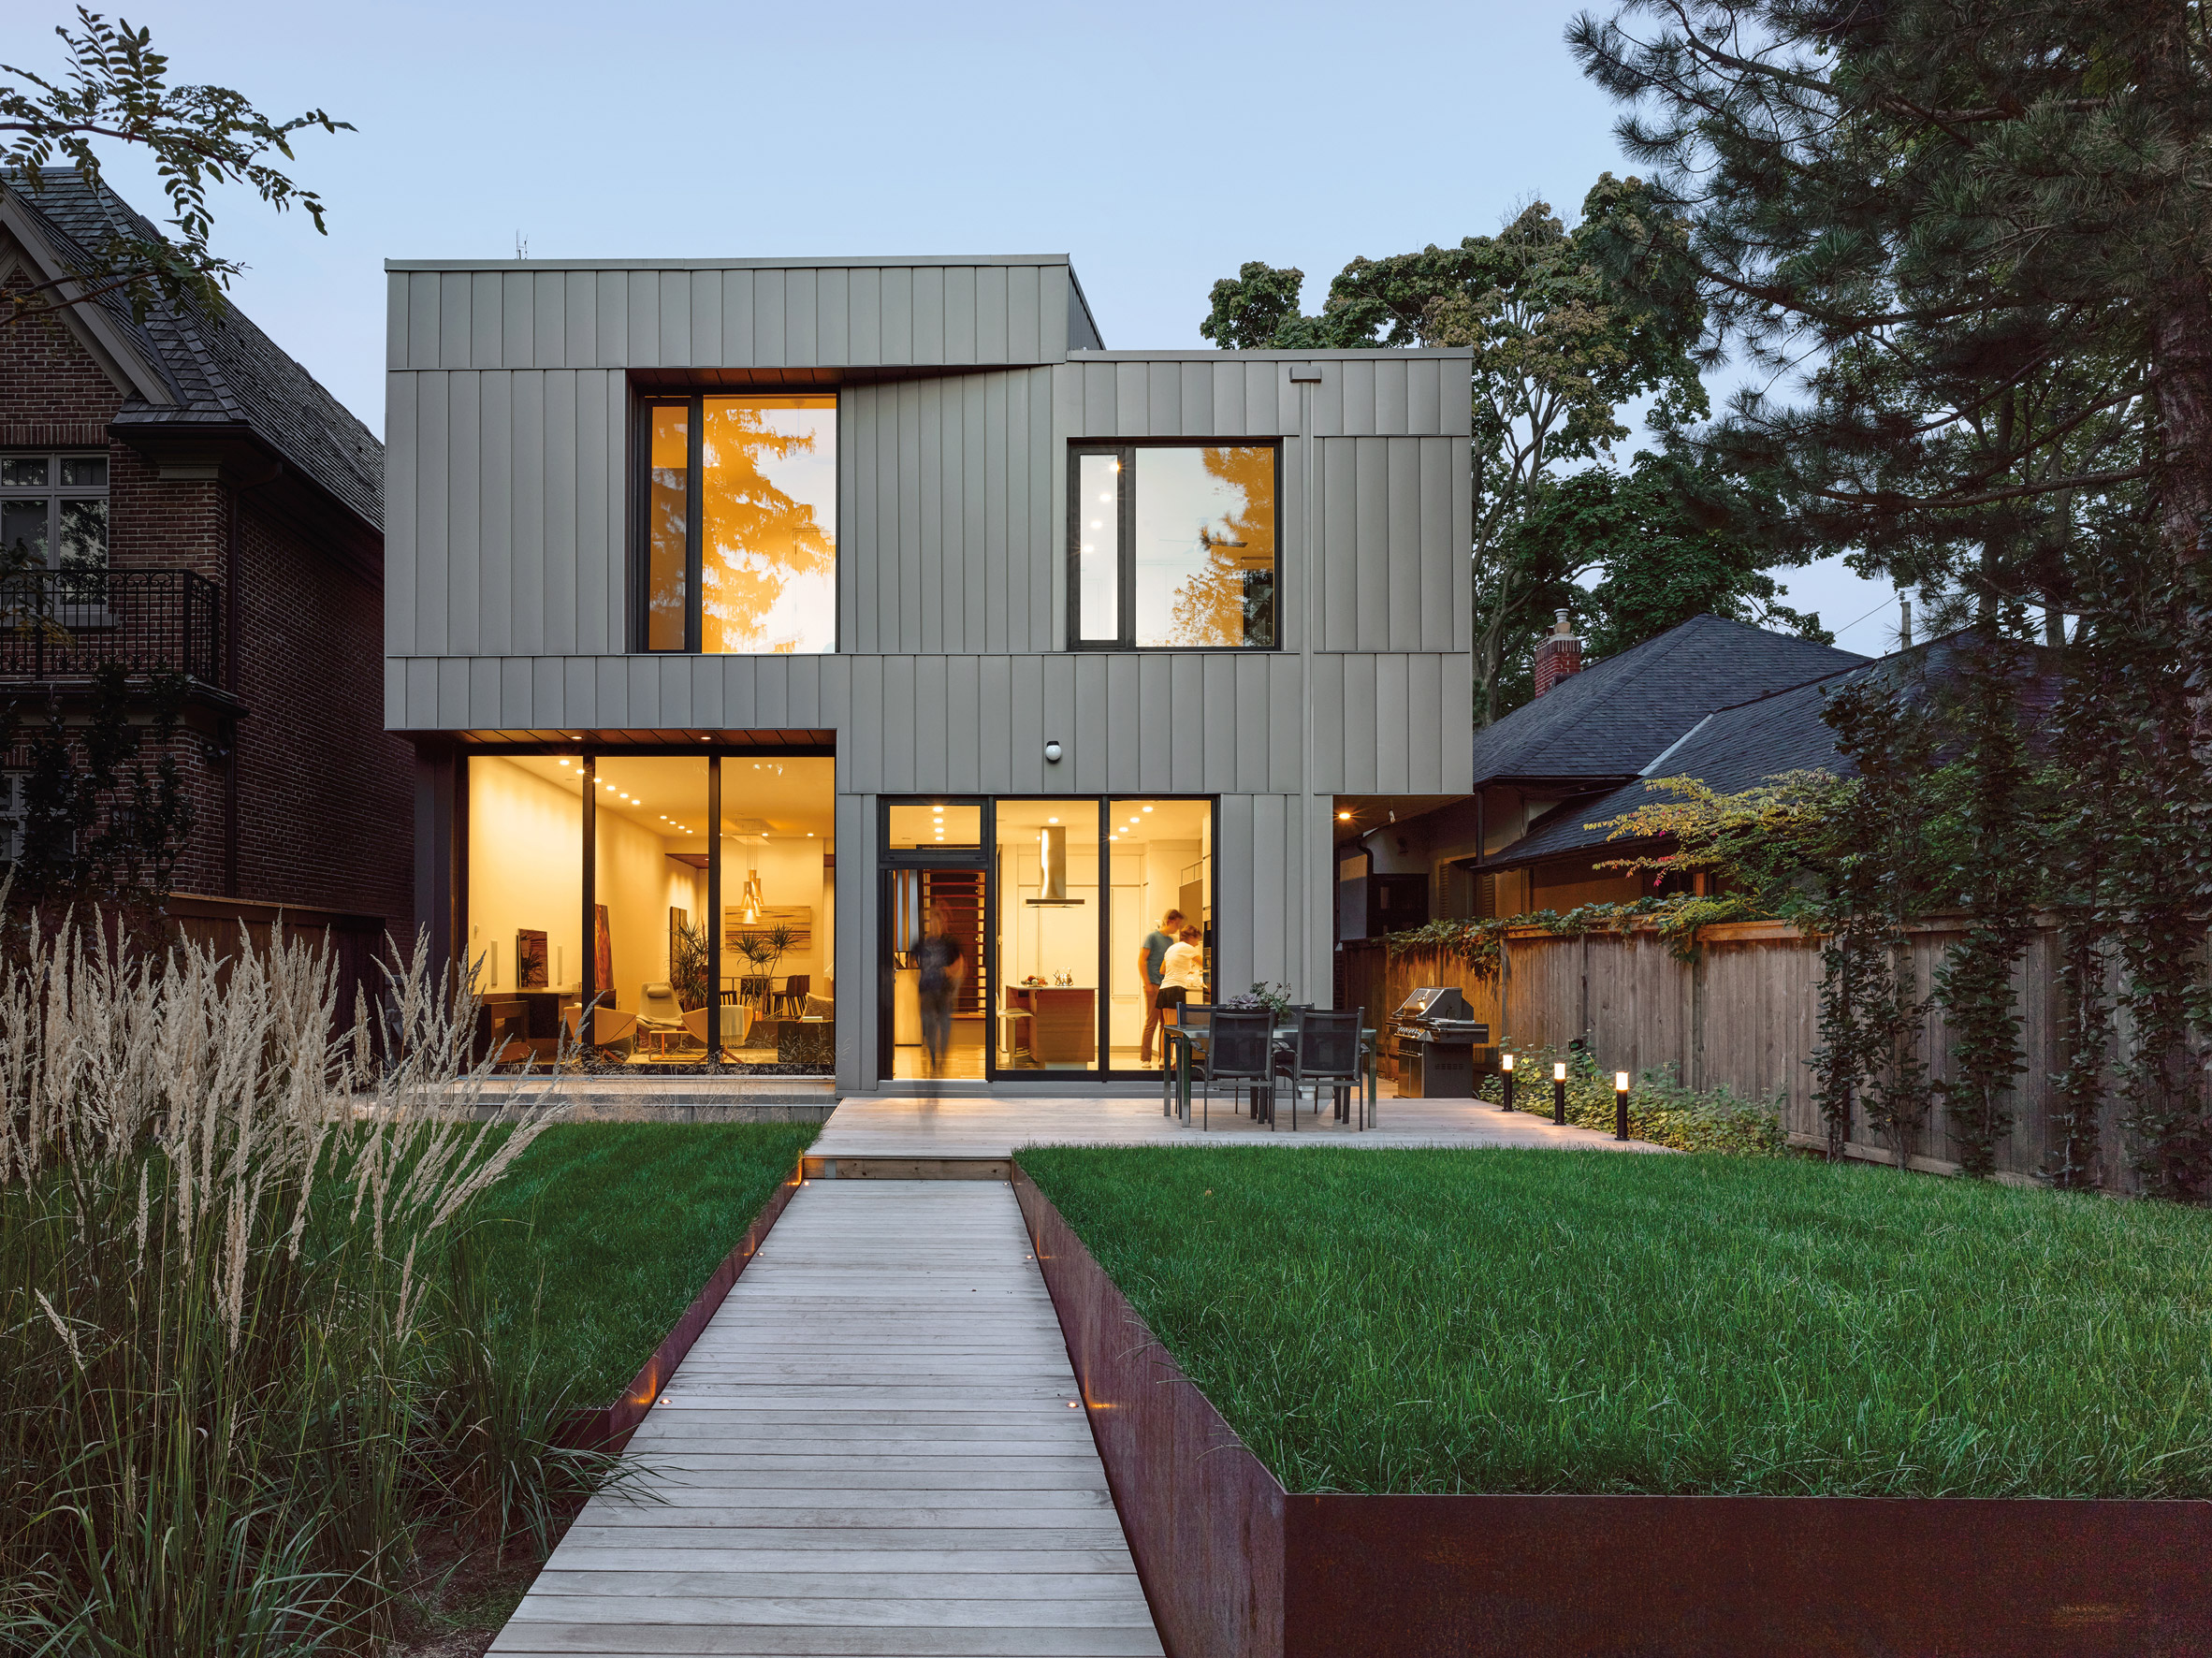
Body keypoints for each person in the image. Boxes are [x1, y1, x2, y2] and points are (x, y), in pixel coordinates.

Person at [916, 904, 966, 1076]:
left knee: (944, 1026)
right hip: (927, 991)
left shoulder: (950, 943)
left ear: (942, 923)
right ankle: (933, 1059)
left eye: (937, 922)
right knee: (929, 1025)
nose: (934, 925)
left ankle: (942, 1059)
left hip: (944, 991)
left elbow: (960, 964)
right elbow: (912, 961)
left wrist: (948, 972)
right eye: (931, 922)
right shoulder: (921, 943)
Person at [1138, 908, 1186, 1064]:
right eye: (1177, 924)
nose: (1178, 928)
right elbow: (1142, 961)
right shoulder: (1152, 937)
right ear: (1170, 921)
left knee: (1165, 1023)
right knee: (1151, 1022)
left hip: (1166, 986)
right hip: (1153, 984)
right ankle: (1145, 1058)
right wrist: (1147, 983)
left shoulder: (1171, 941)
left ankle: (1163, 1058)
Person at [1154, 925, 1207, 1067]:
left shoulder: (1171, 948)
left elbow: (1162, 970)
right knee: (1173, 1028)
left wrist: (1182, 969)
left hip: (1164, 989)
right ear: (1191, 937)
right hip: (1175, 989)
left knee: (1167, 1026)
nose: (1197, 943)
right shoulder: (1189, 948)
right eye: (1197, 939)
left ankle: (1164, 1059)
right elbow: (1206, 965)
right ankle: (1169, 1060)